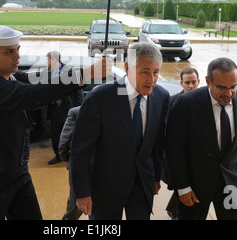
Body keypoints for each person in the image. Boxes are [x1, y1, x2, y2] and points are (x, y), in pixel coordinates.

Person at [0, 24, 111, 220]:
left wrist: (73, 70)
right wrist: (86, 74)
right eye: (9, 52)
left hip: (15, 173)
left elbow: (44, 80)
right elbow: (33, 95)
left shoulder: (11, 77)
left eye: (18, 49)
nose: (17, 56)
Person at [70, 42, 170, 220]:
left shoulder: (162, 97)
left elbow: (158, 143)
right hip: (105, 189)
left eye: (156, 72)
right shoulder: (100, 98)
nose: (152, 79)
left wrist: (155, 177)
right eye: (145, 72)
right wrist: (82, 192)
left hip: (142, 186)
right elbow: (81, 150)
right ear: (127, 67)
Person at [166, 57, 237, 220]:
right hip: (195, 186)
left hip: (231, 184)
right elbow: (175, 150)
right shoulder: (185, 103)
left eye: (233, 87)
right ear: (208, 81)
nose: (228, 93)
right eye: (222, 87)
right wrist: (182, 187)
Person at [162, 66, 200, 219]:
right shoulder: (172, 103)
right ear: (181, 83)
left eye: (193, 82)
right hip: (179, 161)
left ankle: (175, 212)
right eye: (187, 83)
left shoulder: (206, 102)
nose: (191, 86)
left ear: (199, 82)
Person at [46, 51, 84, 165]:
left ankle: (71, 155)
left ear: (53, 60)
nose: (46, 62)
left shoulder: (71, 72)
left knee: (69, 133)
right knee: (55, 133)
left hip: (68, 108)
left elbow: (79, 91)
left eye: (47, 59)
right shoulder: (47, 73)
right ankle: (58, 156)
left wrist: (79, 108)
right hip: (54, 108)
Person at [58, 106, 82, 220]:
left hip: (80, 165)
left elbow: (64, 140)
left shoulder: (76, 112)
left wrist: (65, 158)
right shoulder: (121, 112)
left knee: (74, 205)